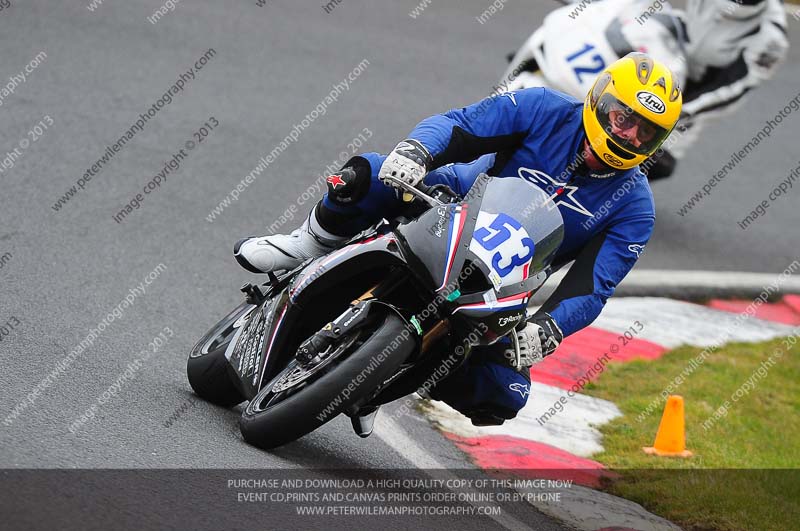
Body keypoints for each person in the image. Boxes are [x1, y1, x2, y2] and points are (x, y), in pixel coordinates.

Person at [235, 52, 682, 426]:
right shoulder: (543, 107)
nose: (629, 135)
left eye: (645, 131)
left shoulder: (635, 208)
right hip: (447, 205)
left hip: (500, 286)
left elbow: (593, 286)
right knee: (366, 173)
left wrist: (550, 328)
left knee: (504, 393)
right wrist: (417, 152)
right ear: (599, 100)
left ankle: (381, 383)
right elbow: (460, 125)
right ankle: (309, 244)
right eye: (624, 117)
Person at [502, 0, 788, 179]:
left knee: (656, 160)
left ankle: (587, 194)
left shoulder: (771, 38)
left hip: (691, 98)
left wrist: (678, 112)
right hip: (663, 56)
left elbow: (730, 90)